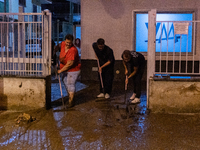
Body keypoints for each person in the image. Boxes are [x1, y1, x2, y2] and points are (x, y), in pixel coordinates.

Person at [56, 34, 81, 108]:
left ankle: (71, 102)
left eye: (70, 43)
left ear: (72, 42)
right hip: (64, 68)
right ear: (65, 41)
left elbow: (70, 64)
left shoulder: (73, 50)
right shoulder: (63, 44)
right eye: (67, 42)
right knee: (66, 83)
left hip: (73, 70)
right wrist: (54, 52)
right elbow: (58, 46)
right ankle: (70, 96)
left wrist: (60, 71)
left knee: (70, 84)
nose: (68, 44)